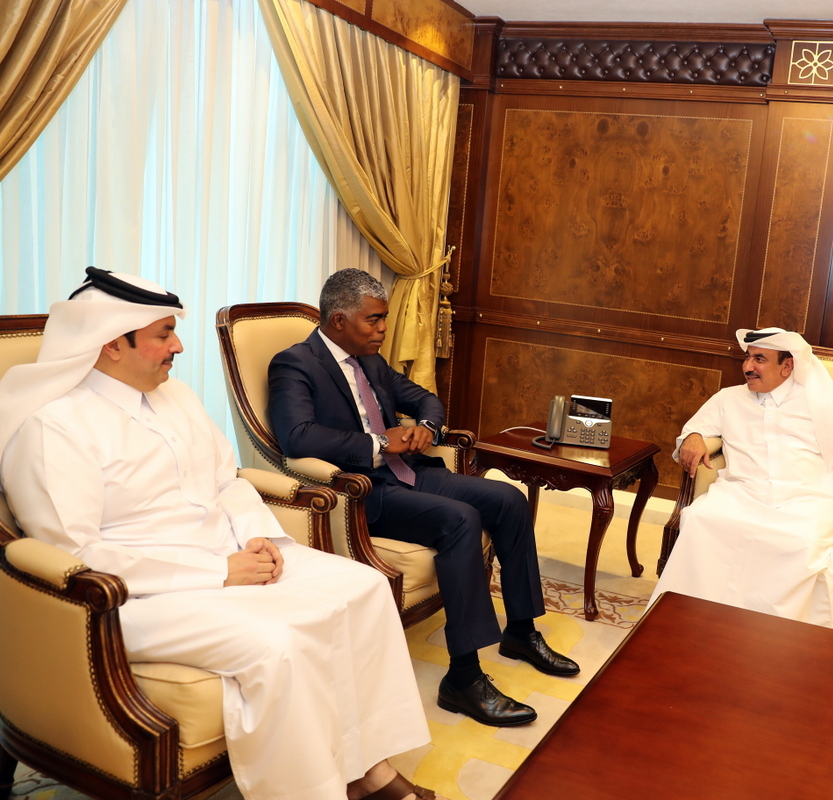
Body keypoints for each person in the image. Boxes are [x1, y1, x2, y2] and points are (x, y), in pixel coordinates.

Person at [0, 269, 436, 800]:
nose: (178, 346)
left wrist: (259, 540)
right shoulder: (54, 427)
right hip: (133, 595)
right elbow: (75, 553)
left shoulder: (176, 397)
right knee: (276, 644)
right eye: (163, 334)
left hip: (229, 553)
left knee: (363, 589)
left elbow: (225, 482)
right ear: (112, 343)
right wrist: (219, 571)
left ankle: (369, 767)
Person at [269, 269, 578, 729]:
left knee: (510, 501)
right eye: (373, 321)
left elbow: (426, 399)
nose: (382, 330)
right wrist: (379, 444)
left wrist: (424, 429)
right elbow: (296, 436)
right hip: (364, 492)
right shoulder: (295, 364)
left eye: (384, 320)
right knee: (460, 520)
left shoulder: (370, 359)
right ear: (338, 321)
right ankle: (464, 678)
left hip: (410, 473)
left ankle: (520, 631)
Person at [649, 327, 833, 626]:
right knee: (701, 519)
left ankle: (775, 637)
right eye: (748, 358)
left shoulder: (819, 402)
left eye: (759, 359)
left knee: (801, 542)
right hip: (743, 494)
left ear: (787, 366)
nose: (748, 367)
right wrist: (694, 437)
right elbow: (695, 429)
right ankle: (688, 624)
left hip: (811, 499)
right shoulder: (728, 399)